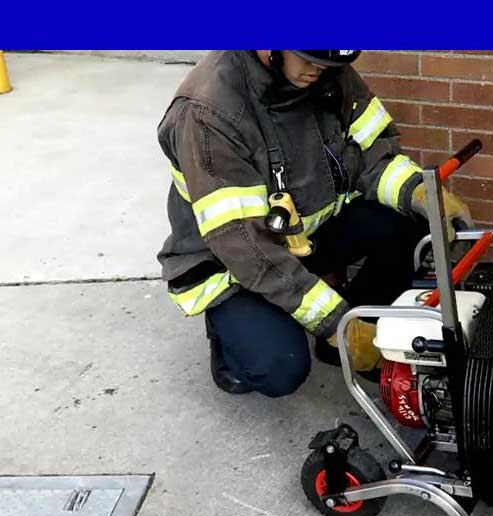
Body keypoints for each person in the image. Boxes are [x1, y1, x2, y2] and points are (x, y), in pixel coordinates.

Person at [155, 50, 471, 398]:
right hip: (230, 266)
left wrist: (421, 195)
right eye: (307, 57)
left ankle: (354, 335)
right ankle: (229, 342)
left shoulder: (325, 71)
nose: (318, 70)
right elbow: (248, 248)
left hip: (302, 236)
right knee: (280, 367)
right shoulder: (208, 112)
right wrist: (338, 325)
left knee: (409, 224)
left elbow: (375, 157)